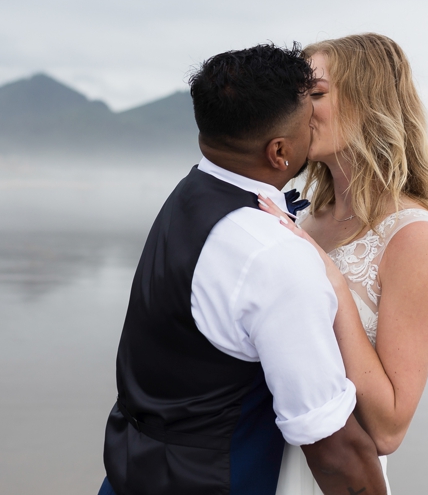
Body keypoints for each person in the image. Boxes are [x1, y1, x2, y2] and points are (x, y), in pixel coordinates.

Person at [98, 44, 387, 495]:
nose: (315, 126)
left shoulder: (186, 198)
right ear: (278, 152)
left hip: (127, 476)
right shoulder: (272, 255)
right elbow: (334, 451)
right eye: (306, 121)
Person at [259, 33, 428, 495]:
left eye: (316, 94)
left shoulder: (413, 235)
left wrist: (333, 285)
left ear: (368, 102)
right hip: (256, 455)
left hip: (330, 474)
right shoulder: (305, 215)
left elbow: (389, 429)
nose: (301, 110)